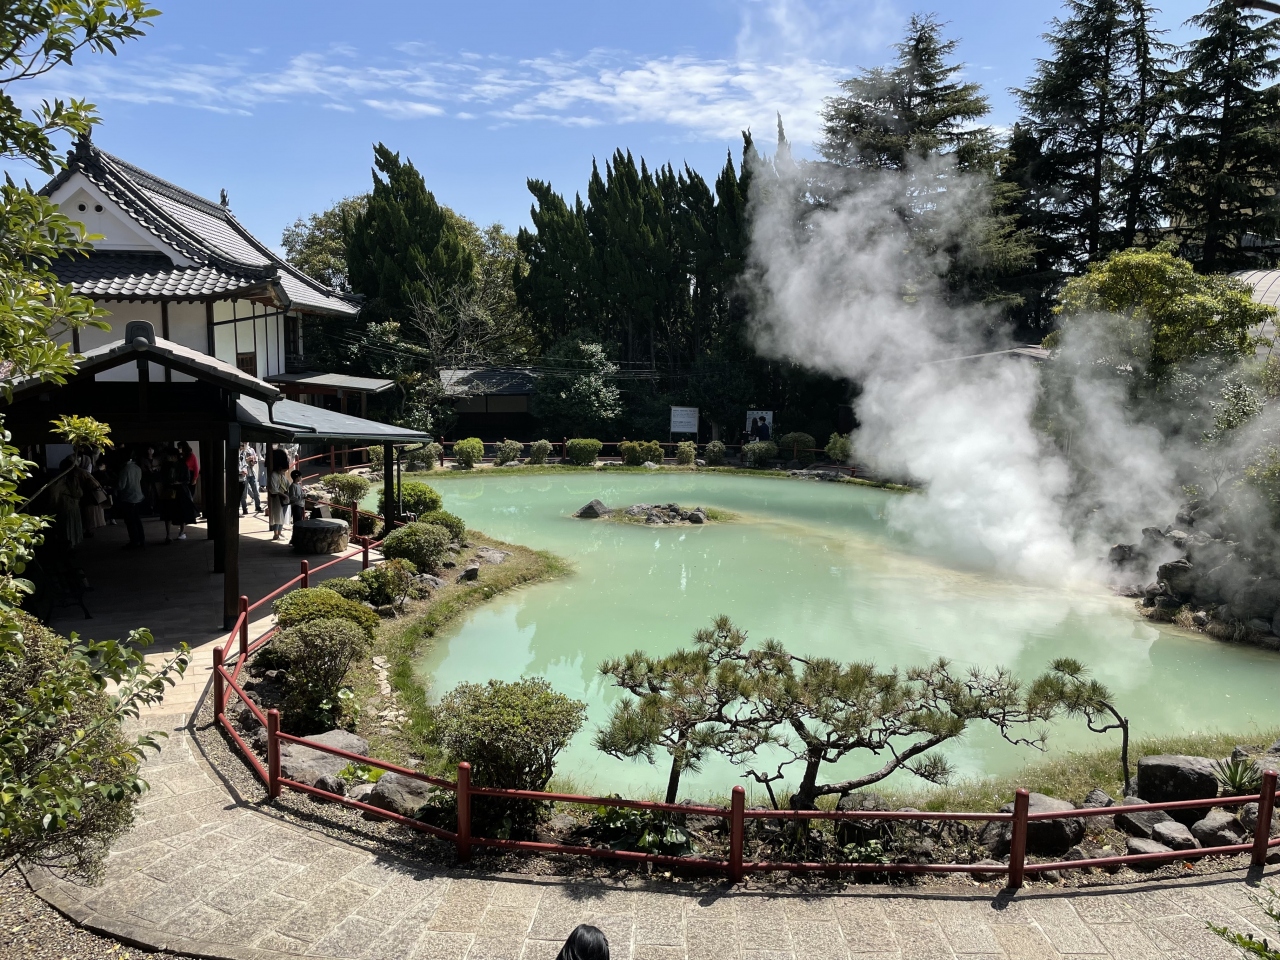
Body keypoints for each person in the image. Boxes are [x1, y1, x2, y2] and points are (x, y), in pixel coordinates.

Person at [160, 446, 196, 543]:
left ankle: (181, 532)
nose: (167, 457)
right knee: (167, 514)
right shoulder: (166, 465)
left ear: (174, 456)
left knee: (181, 512)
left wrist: (178, 482)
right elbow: (162, 477)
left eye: (169, 456)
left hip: (180, 491)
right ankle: (169, 535)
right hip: (170, 490)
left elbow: (187, 479)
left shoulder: (182, 465)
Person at [116, 448, 146, 548]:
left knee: (130, 521)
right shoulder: (137, 468)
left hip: (128, 497)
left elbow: (121, 486)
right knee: (137, 520)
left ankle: (134, 541)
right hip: (138, 496)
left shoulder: (125, 469)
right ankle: (141, 539)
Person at [267, 448, 291, 541]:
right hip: (278, 498)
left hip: (284, 498)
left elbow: (287, 484)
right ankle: (276, 534)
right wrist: (283, 495)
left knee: (283, 516)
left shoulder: (281, 475)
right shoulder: (274, 475)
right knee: (278, 516)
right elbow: (273, 489)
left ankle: (280, 532)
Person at [240, 441, 262, 515]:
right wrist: (247, 459)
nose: (246, 443)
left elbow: (255, 461)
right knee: (244, 493)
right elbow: (241, 462)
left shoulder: (251, 450)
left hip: (252, 472)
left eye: (247, 442)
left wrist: (253, 460)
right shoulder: (241, 451)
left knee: (256, 490)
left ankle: (258, 506)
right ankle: (244, 508)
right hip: (244, 473)